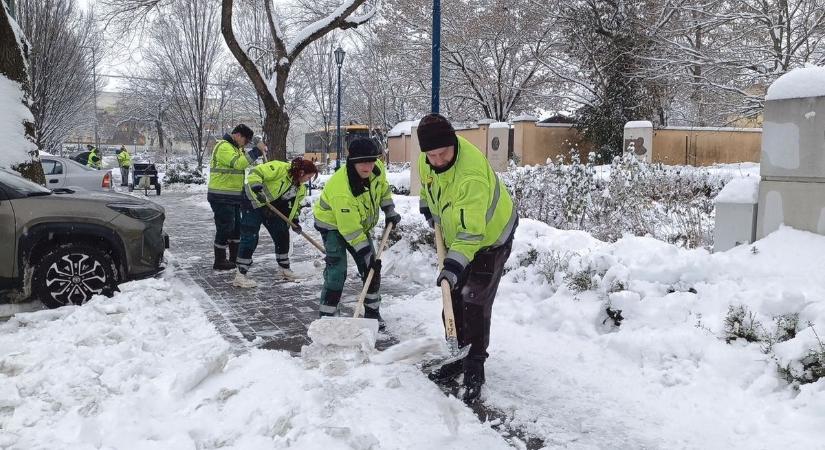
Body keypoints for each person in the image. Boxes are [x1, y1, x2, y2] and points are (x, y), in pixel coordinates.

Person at [416, 113, 518, 404]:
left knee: (474, 301)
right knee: (452, 300)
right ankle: (457, 357)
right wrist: (427, 207)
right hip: (461, 235)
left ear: (454, 143)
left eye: (443, 153)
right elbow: (428, 184)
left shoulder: (470, 176)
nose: (437, 160)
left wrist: (452, 265)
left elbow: (472, 233)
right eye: (432, 155)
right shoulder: (427, 159)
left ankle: (474, 369)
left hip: (491, 238)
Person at [312, 138, 401, 329]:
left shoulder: (376, 169)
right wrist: (367, 255)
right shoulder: (341, 189)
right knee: (337, 271)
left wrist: (389, 210)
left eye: (371, 161)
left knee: (371, 270)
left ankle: (372, 313)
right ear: (352, 161)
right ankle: (327, 318)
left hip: (357, 224)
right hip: (332, 226)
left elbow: (383, 189)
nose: (368, 166)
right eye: (363, 162)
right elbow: (350, 230)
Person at [232, 158, 319, 288]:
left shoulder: (300, 189)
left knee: (282, 233)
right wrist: (257, 188)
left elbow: (294, 207)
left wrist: (294, 221)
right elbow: (256, 172)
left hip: (271, 209)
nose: (308, 180)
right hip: (253, 202)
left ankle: (284, 269)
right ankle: (240, 275)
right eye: (309, 177)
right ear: (301, 172)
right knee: (250, 237)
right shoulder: (280, 168)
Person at [207, 124, 265, 271]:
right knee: (225, 228)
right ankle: (220, 260)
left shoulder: (236, 148)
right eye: (245, 140)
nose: (245, 144)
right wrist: (256, 151)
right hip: (220, 196)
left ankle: (235, 257)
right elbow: (239, 164)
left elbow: (242, 165)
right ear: (238, 135)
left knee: (236, 228)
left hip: (233, 196)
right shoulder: (224, 147)